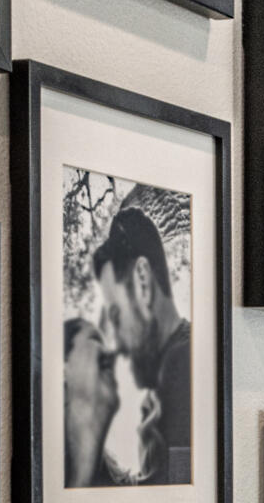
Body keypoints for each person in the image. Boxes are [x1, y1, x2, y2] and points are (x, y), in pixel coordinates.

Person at [64, 206, 191, 485]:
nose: (118, 346)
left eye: (117, 315)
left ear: (143, 280)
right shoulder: (173, 370)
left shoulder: (183, 364)